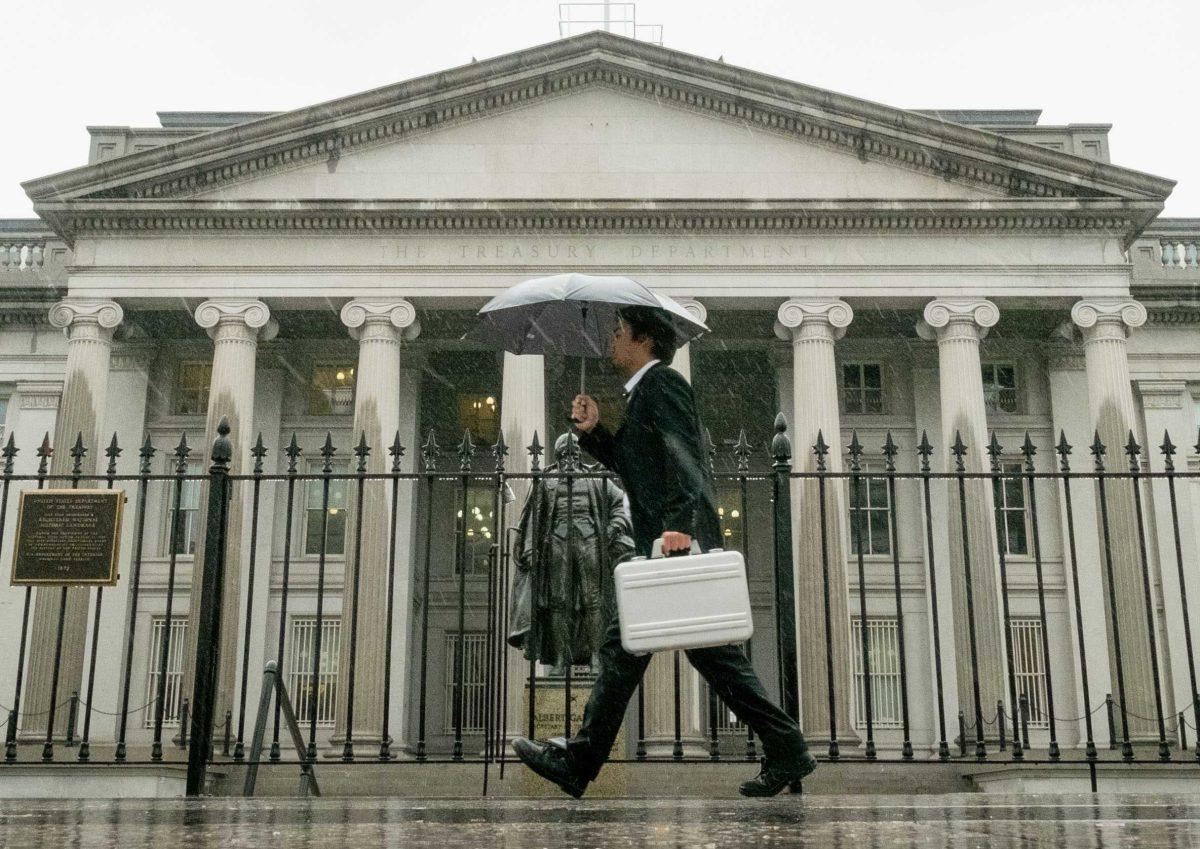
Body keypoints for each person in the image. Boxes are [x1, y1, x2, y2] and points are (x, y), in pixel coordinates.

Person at [512, 304, 816, 798]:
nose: (611, 341)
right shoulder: (643, 395)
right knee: (707, 657)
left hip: (675, 544)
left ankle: (580, 761)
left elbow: (685, 455)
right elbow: (641, 468)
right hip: (666, 542)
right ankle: (787, 748)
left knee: (625, 648)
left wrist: (678, 526)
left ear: (643, 340)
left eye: (617, 332)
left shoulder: (664, 385)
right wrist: (594, 435)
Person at [507, 431, 635, 670]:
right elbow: (534, 517)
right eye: (565, 453)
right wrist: (530, 549)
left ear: (579, 454)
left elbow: (622, 503)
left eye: (574, 452)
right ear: (557, 456)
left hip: (590, 542)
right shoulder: (546, 480)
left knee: (593, 601)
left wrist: (614, 527)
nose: (570, 457)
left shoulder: (596, 478)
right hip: (557, 543)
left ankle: (597, 656)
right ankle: (560, 658)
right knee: (558, 602)